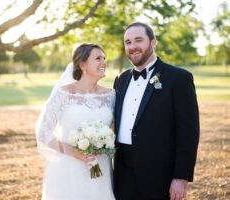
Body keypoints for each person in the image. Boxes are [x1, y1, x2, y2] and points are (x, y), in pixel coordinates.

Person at [113, 22, 200, 200]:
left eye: (139, 40)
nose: (132, 46)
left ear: (153, 42)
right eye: (128, 42)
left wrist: (181, 177)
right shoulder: (121, 79)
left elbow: (188, 132)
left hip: (159, 174)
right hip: (122, 173)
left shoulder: (179, 78)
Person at [35, 44, 116, 200]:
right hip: (69, 168)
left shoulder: (111, 95)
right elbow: (43, 132)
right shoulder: (63, 94)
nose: (104, 62)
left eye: (104, 58)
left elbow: (114, 129)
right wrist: (75, 152)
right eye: (98, 58)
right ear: (82, 65)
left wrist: (102, 143)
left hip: (101, 167)